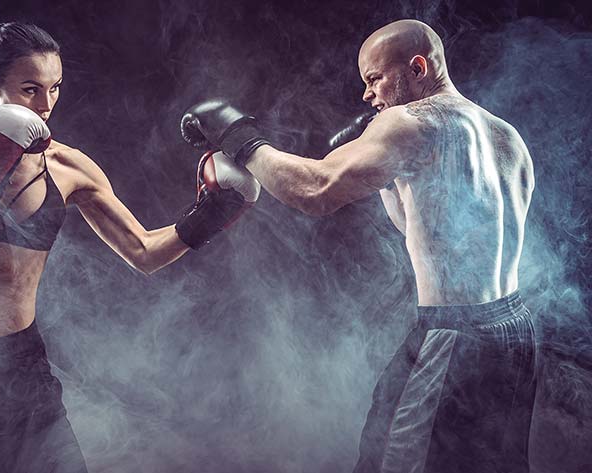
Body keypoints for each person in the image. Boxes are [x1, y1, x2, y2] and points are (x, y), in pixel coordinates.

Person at [0, 21, 259, 473]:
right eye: (30, 89)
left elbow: (143, 252)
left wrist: (207, 217)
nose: (46, 105)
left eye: (55, 88)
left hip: (15, 375)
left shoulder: (70, 167)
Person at [181, 19, 537, 473]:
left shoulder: (411, 123)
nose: (368, 95)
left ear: (418, 68)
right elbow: (431, 230)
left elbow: (316, 190)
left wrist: (239, 136)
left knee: (389, 460)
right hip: (516, 333)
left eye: (374, 79)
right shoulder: (507, 137)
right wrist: (389, 178)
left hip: (453, 335)